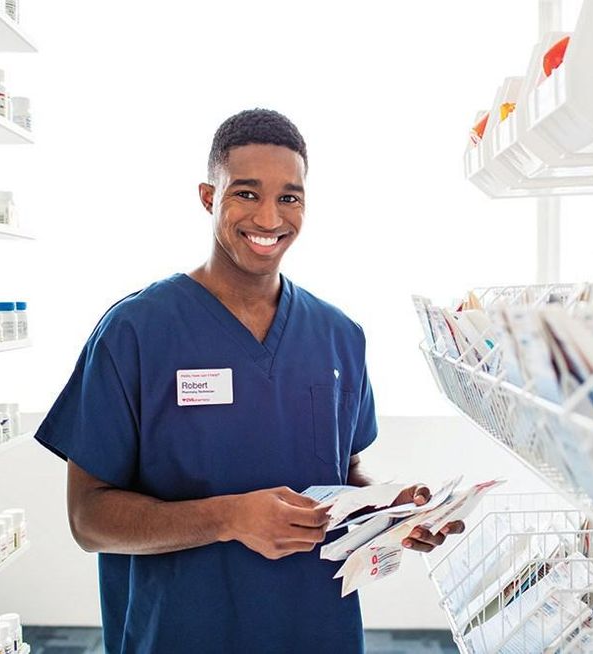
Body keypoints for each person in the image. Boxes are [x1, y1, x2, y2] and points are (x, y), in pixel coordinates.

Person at [35, 108, 464, 653]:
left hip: (316, 631)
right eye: (245, 193)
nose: (269, 217)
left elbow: (345, 471)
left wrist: (391, 511)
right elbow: (89, 519)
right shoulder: (136, 332)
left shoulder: (339, 336)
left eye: (289, 197)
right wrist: (228, 519)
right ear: (207, 196)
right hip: (180, 634)